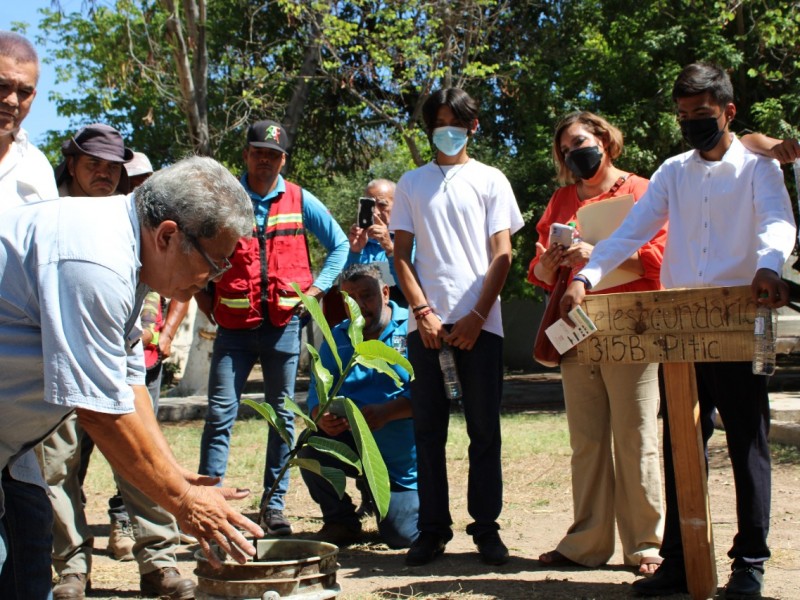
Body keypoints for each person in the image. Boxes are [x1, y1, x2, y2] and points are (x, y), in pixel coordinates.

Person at [561, 63, 796, 598]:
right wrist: (586, 276)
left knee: (747, 443)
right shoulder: (672, 172)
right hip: (680, 327)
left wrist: (769, 263)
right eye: (684, 115)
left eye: (702, 115)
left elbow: (778, 221)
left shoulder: (757, 169)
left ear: (728, 112)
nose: (691, 124)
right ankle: (681, 561)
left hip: (737, 321)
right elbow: (631, 232)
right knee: (680, 443)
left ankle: (750, 563)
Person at [0, 156, 264, 597]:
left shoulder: (131, 254)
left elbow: (128, 379)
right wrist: (183, 503)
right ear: (167, 236)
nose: (213, 279)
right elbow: (100, 413)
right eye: (215, 264)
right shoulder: (96, 262)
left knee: (28, 558)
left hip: (11, 451)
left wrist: (175, 473)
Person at [36, 130, 195, 598]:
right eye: (93, 163)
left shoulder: (131, 220)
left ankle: (159, 561)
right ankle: (71, 567)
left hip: (118, 353)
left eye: (112, 165)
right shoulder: (48, 207)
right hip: (50, 361)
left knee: (138, 450)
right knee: (58, 465)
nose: (104, 172)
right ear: (71, 164)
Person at [527, 111, 666, 575]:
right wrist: (548, 265)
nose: (574, 153)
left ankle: (646, 545)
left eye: (580, 142)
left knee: (636, 435)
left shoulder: (640, 190)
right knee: (586, 441)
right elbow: (539, 270)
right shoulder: (561, 198)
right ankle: (586, 543)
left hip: (632, 325)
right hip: (576, 328)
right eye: (566, 149)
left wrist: (599, 257)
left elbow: (662, 256)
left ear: (604, 139)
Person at [391, 87, 524, 566]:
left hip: (481, 325)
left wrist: (475, 316)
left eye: (456, 123)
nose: (446, 132)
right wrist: (423, 312)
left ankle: (486, 529)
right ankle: (432, 530)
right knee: (428, 432)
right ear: (428, 129)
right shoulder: (411, 183)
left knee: (484, 430)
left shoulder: (491, 180)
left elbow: (503, 255)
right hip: (425, 326)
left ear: (473, 127)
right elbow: (400, 256)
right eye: (438, 123)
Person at [196, 119, 348, 536]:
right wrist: (199, 295)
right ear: (246, 155)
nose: (266, 160)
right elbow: (193, 246)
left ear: (283, 159)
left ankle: (273, 506)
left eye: (274, 154)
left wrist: (316, 290)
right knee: (220, 413)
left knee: (282, 415)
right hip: (233, 327)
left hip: (284, 325)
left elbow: (340, 245)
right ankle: (211, 503)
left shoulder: (299, 199)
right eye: (259, 152)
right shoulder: (225, 198)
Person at [299, 263, 419, 549]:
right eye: (350, 299)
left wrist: (388, 412)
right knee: (310, 447)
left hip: (400, 461)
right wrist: (321, 416)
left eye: (366, 295)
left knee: (401, 538)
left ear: (386, 293)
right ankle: (340, 521)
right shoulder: (337, 336)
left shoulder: (413, 328)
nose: (358, 306)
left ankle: (384, 495)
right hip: (350, 443)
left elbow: (430, 397)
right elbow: (318, 393)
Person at [0, 30, 59, 597]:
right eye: (1, 87)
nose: (12, 101)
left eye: (25, 91)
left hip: (12, 394)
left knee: (31, 540)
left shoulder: (33, 170)